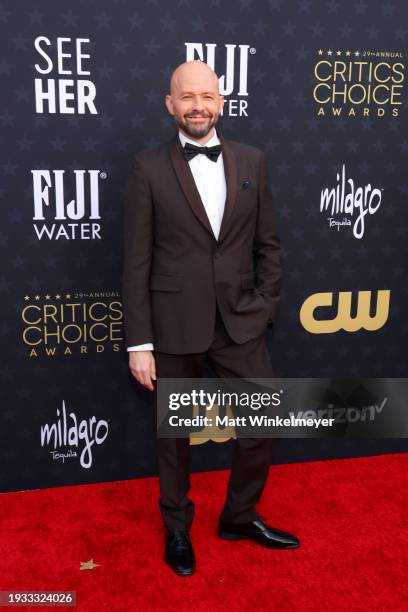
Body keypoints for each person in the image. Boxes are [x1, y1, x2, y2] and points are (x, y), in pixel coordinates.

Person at [122, 60, 300, 577]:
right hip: (173, 322)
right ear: (170, 105)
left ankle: (239, 517)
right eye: (187, 97)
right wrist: (139, 341)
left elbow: (269, 244)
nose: (198, 105)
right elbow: (135, 259)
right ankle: (177, 526)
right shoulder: (147, 168)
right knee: (173, 436)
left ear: (222, 101)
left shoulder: (252, 161)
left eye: (207, 95)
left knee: (262, 420)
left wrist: (265, 303)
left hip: (241, 320)